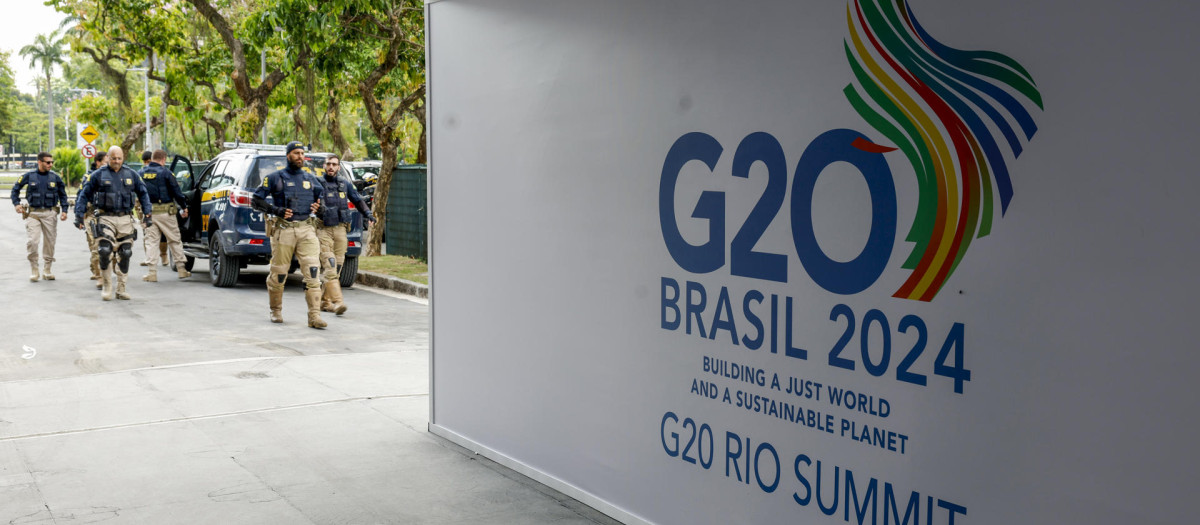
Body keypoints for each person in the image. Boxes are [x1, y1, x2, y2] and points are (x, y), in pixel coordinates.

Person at [251, 141, 327, 328]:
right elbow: (256, 200)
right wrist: (276, 210)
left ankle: (314, 317)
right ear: (288, 156)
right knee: (279, 273)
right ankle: (276, 310)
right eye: (296, 153)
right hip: (283, 230)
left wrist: (319, 208)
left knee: (313, 272)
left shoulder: (311, 179)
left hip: (307, 229)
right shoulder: (275, 178)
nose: (300, 156)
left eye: (302, 153)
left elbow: (322, 203)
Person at [74, 146, 153, 301]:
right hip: (105, 217)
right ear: (108, 158)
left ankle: (121, 289)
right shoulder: (98, 175)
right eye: (113, 158)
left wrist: (148, 213)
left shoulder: (131, 174)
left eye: (119, 158)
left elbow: (143, 194)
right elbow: (84, 195)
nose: (116, 161)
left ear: (123, 158)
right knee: (104, 250)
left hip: (125, 219)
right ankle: (107, 285)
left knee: (125, 253)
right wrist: (78, 215)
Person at [315, 155, 373, 315]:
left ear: (339, 167)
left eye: (334, 164)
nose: (331, 167)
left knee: (338, 266)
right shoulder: (317, 183)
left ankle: (324, 301)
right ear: (324, 166)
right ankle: (338, 302)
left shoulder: (345, 183)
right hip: (323, 229)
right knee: (330, 265)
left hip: (341, 229)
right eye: (328, 164)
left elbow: (357, 200)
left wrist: (368, 213)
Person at [11, 152, 69, 282]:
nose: (50, 164)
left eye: (52, 162)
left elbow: (63, 195)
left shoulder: (55, 178)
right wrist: (17, 204)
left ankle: (47, 269)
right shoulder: (29, 176)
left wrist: (64, 210)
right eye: (48, 162)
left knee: (50, 242)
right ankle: (34, 268)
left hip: (49, 213)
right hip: (33, 213)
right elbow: (15, 190)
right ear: (39, 162)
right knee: (33, 241)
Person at [139, 149, 190, 281]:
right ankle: (182, 270)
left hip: (149, 213)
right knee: (174, 240)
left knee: (152, 242)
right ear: (163, 159)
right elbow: (176, 192)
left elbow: (137, 193)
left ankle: (152, 273)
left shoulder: (141, 173)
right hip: (167, 213)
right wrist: (184, 207)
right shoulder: (166, 173)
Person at [83, 151, 108, 282]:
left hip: (109, 215)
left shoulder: (113, 175)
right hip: (92, 215)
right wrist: (79, 215)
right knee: (95, 246)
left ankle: (105, 270)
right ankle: (99, 275)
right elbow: (82, 196)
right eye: (105, 162)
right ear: (98, 162)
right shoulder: (89, 176)